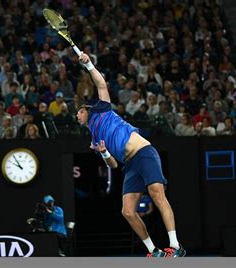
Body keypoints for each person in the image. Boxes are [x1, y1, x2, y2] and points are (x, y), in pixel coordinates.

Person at [76, 52, 186, 257]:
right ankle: (154, 251)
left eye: (79, 112)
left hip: (144, 152)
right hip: (130, 164)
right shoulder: (94, 140)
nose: (77, 115)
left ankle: (176, 245)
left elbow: (101, 85)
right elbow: (113, 166)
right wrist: (105, 152)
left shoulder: (102, 110)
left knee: (156, 194)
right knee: (127, 211)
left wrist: (89, 64)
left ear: (87, 110)